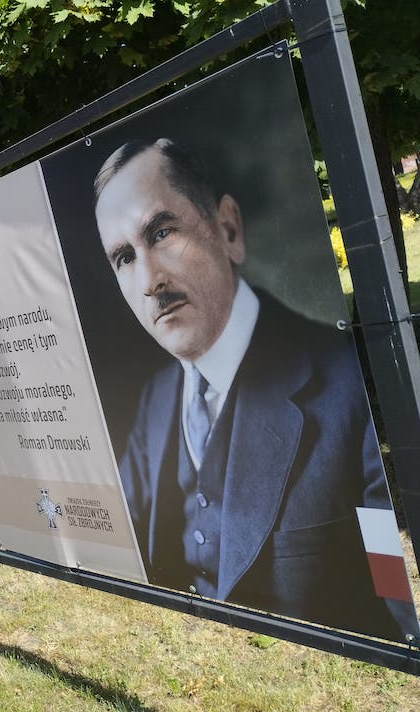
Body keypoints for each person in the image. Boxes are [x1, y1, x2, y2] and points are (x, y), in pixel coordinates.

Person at [92, 137, 417, 640]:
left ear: (228, 228)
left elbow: (394, 603)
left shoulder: (345, 386)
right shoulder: (155, 400)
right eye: (123, 258)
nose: (149, 280)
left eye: (160, 232)